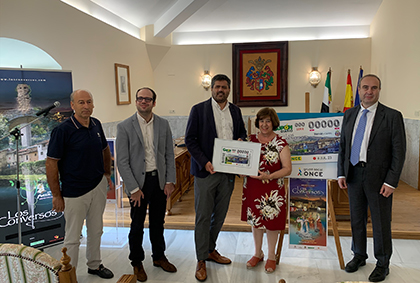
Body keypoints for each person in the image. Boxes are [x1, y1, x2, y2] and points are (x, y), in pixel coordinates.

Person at [337, 74, 406, 282]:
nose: (369, 91)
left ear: (379, 90)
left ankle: (383, 263)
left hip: (380, 179)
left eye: (374, 88)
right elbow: (343, 146)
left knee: (380, 221)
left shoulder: (392, 116)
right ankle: (359, 255)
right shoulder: (349, 115)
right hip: (354, 175)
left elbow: (399, 152)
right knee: (356, 219)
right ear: (358, 89)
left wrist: (391, 181)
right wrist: (341, 172)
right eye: (365, 87)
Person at [46, 89, 114, 279]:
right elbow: (51, 163)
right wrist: (56, 195)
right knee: (73, 237)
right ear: (73, 106)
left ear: (93, 104)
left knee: (96, 230)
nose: (86, 106)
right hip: (74, 192)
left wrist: (106, 173)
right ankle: (69, 274)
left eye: (89, 102)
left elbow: (105, 150)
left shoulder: (96, 124)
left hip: (97, 186)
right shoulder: (62, 130)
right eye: (81, 102)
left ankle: (94, 265)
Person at [185, 74, 247, 282]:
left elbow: (243, 136)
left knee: (219, 215)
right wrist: (204, 162)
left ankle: (210, 250)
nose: (221, 90)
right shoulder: (198, 110)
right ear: (211, 89)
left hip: (227, 173)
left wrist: (240, 142)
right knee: (203, 216)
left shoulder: (236, 111)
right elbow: (190, 140)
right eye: (217, 87)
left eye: (224, 87)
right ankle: (201, 259)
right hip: (206, 171)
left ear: (229, 90)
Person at [116, 87, 177, 282]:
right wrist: (133, 189)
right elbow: (122, 161)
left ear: (154, 102)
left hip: (158, 180)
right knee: (137, 225)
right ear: (136, 101)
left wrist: (169, 181)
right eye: (140, 99)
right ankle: (136, 261)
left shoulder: (163, 124)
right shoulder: (124, 126)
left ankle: (159, 256)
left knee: (158, 222)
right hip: (138, 185)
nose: (144, 102)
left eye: (147, 99)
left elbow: (169, 154)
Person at [241, 107, 292, 273]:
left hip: (272, 189)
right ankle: (257, 253)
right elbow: (241, 162)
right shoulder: (249, 140)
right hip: (253, 188)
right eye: (262, 120)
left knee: (272, 223)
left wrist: (269, 176)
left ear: (273, 123)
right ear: (258, 122)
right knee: (256, 222)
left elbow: (287, 169)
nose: (264, 124)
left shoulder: (281, 144)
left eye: (268, 121)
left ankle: (271, 256)